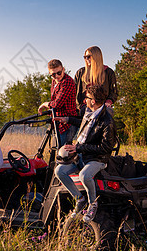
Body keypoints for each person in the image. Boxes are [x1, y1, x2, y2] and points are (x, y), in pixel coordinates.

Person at [53, 85, 117, 223]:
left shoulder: (107, 121)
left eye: (87, 98)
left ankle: (93, 203)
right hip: (81, 154)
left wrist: (79, 148)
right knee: (59, 171)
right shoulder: (90, 113)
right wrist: (68, 119)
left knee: (84, 175)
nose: (84, 101)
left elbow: (106, 148)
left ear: (93, 101)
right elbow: (83, 124)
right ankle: (80, 199)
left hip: (97, 158)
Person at [38, 59, 77, 146]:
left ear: (63, 69)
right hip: (58, 122)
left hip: (67, 124)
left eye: (59, 73)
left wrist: (44, 104)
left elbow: (57, 104)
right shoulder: (54, 81)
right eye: (53, 74)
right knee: (58, 150)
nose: (57, 76)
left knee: (64, 153)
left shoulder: (67, 82)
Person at [74, 46, 118, 116]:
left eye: (88, 56)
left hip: (102, 106)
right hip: (85, 107)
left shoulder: (108, 72)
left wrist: (109, 102)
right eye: (85, 57)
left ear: (96, 56)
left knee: (108, 113)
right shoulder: (81, 72)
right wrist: (80, 106)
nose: (86, 59)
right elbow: (75, 91)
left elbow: (114, 92)